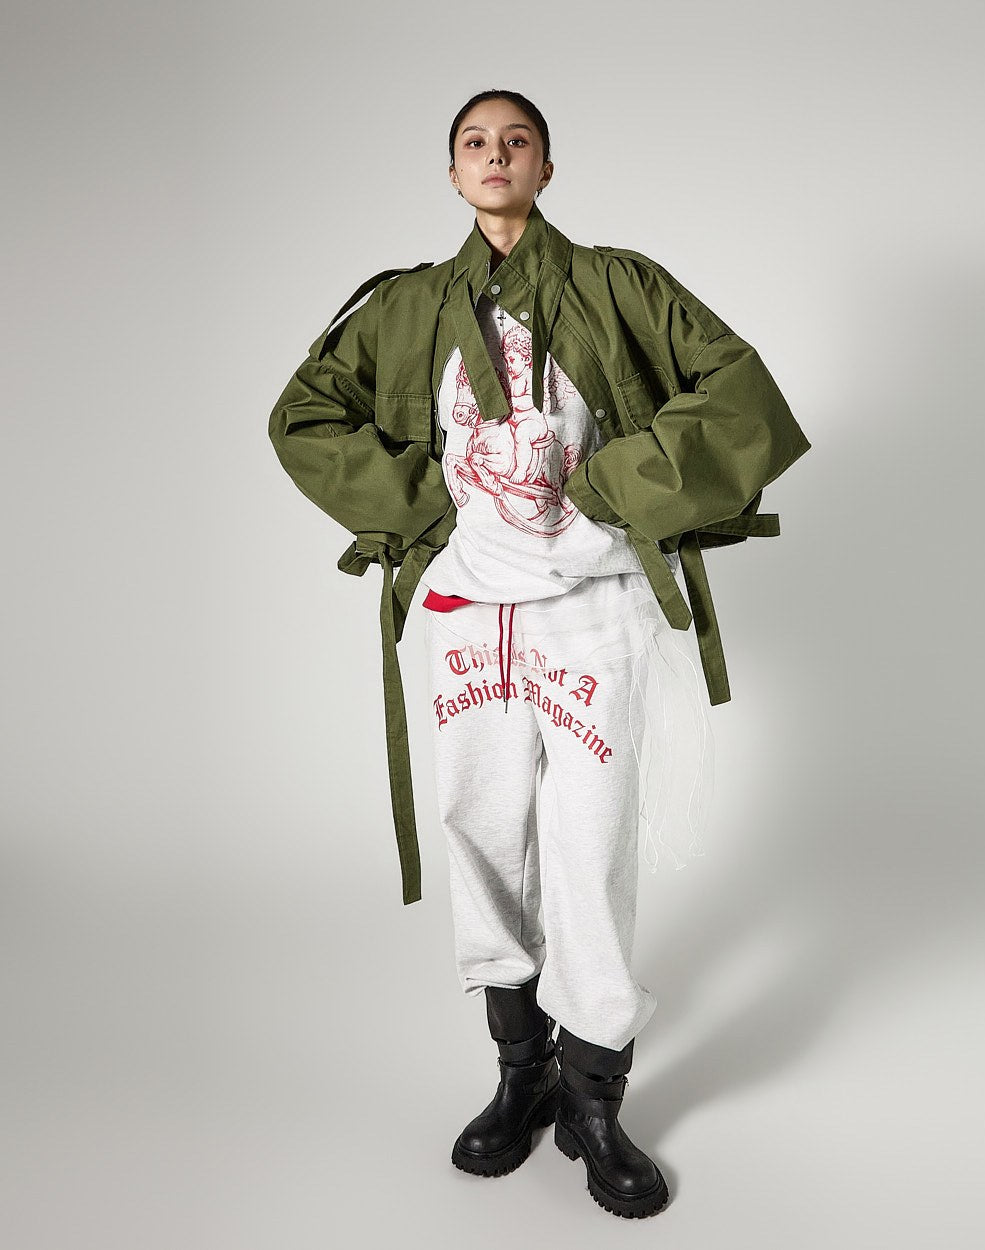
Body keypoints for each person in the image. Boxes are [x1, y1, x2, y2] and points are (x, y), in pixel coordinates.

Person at [268, 89, 811, 1220]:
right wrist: (427, 512)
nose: (496, 154)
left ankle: (595, 1097)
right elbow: (303, 415)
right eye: (475, 142)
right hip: (468, 609)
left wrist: (615, 489)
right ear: (452, 172)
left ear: (546, 167)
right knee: (479, 832)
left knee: (589, 844)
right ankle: (521, 1076)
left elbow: (742, 392)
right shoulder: (406, 306)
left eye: (516, 140)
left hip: (589, 607)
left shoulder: (619, 283)